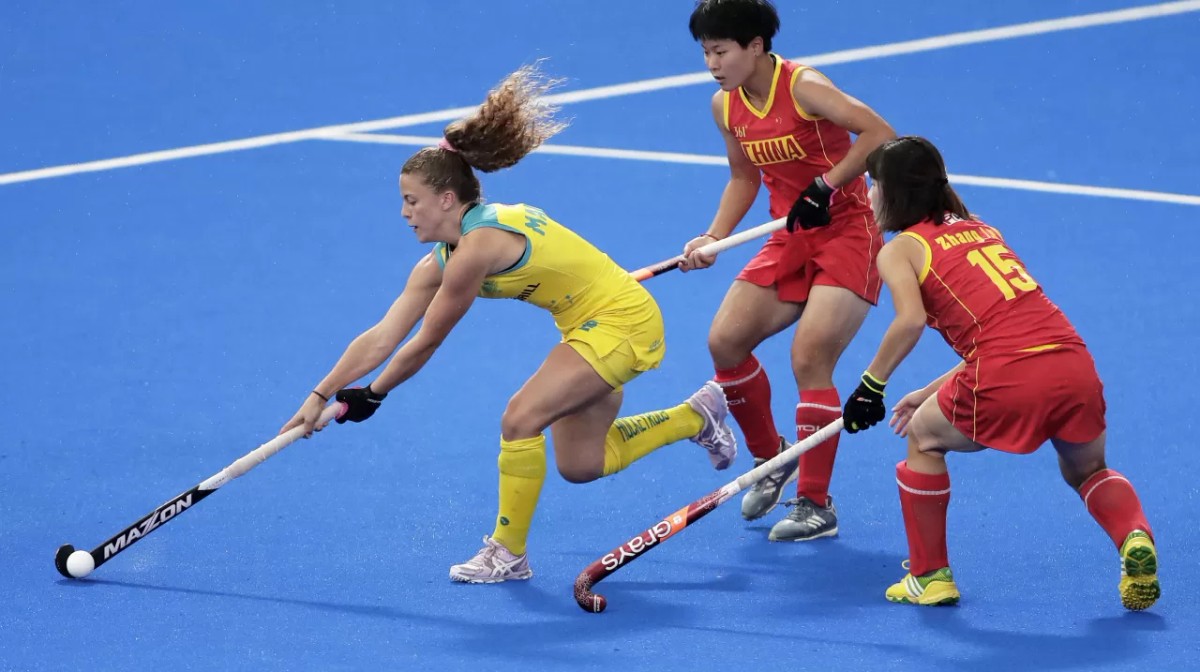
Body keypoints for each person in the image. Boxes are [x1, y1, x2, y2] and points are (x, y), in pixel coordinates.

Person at [280, 65, 737, 584]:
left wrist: (374, 394)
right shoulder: (440, 259)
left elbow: (427, 339)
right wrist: (322, 393)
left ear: (446, 200)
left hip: (621, 322)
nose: (404, 212)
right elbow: (384, 333)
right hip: (589, 324)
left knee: (520, 420)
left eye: (412, 201)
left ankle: (508, 554)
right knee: (583, 464)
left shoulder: (479, 247)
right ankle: (696, 415)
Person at [840, 135, 1160, 610]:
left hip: (1008, 374)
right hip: (1072, 363)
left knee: (923, 439)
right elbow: (1007, 331)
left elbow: (909, 321)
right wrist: (929, 390)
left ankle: (929, 577)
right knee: (1089, 470)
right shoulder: (982, 229)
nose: (868, 196)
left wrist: (871, 384)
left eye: (873, 185)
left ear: (895, 193)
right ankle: (1133, 536)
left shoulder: (900, 249)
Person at [683, 0, 896, 541]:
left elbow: (879, 134)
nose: (712, 63)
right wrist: (714, 237)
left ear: (755, 46)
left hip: (848, 231)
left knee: (810, 357)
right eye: (705, 52)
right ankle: (773, 458)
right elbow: (743, 179)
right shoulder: (724, 106)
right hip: (790, 234)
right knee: (725, 341)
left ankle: (815, 505)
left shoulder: (804, 87)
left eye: (720, 51)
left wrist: (826, 185)